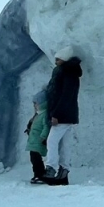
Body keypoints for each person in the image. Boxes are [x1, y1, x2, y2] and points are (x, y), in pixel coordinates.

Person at [44, 47, 83, 185]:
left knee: (52, 141)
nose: (55, 62)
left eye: (58, 59)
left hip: (63, 114)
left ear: (65, 59)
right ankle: (63, 172)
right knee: (65, 144)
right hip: (69, 114)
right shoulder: (70, 73)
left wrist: (55, 114)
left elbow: (65, 96)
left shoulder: (66, 73)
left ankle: (51, 168)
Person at [25, 89, 51, 183]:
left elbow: (46, 126)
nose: (34, 106)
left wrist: (44, 136)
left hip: (38, 141)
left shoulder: (44, 115)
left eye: (36, 103)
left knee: (36, 159)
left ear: (42, 103)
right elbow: (33, 124)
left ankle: (40, 174)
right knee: (34, 159)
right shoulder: (37, 115)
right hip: (33, 141)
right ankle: (38, 174)